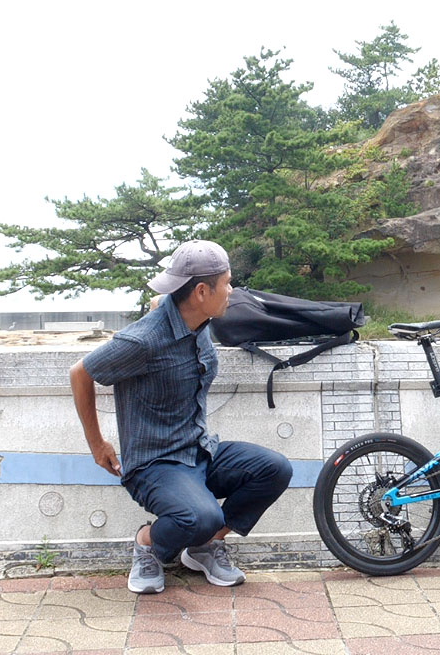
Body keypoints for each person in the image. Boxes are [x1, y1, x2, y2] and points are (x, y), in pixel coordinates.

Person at [69, 240, 293, 594]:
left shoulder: (196, 317)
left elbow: (163, 302)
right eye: (228, 283)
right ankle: (147, 543)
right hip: (155, 463)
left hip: (199, 450)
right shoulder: (142, 341)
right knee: (200, 516)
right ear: (202, 291)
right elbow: (81, 373)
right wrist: (97, 444)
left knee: (274, 469)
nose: (232, 290)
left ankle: (204, 545)